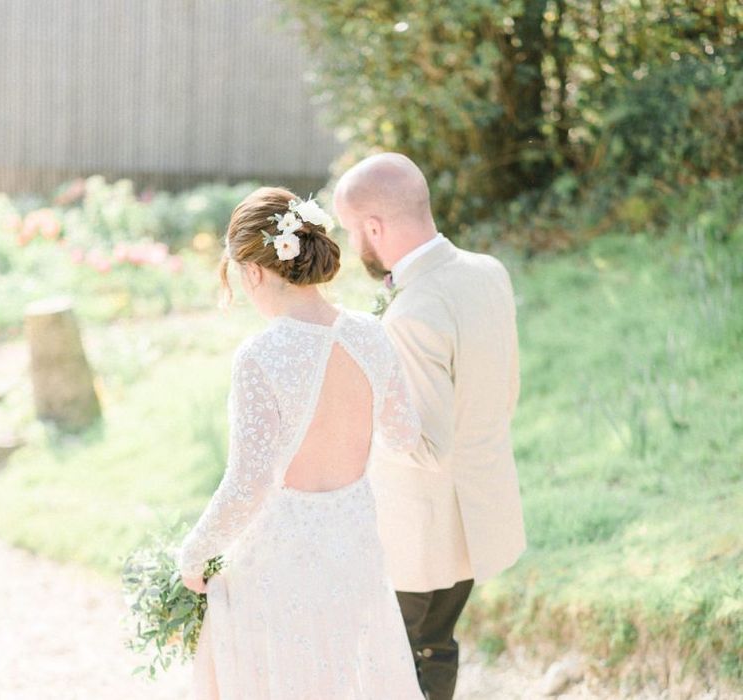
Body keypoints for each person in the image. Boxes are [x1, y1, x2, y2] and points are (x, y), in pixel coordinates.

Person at [177, 186, 424, 699]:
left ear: (254, 271)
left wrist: (195, 553)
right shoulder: (370, 334)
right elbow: (405, 435)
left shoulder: (261, 356)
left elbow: (249, 483)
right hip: (354, 544)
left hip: (284, 556)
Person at [333, 153, 526, 700]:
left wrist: (358, 419)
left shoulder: (411, 313)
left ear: (375, 227)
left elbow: (427, 445)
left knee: (391, 666)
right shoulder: (488, 272)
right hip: (478, 518)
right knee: (435, 649)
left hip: (417, 537)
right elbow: (505, 390)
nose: (355, 244)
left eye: (353, 231)